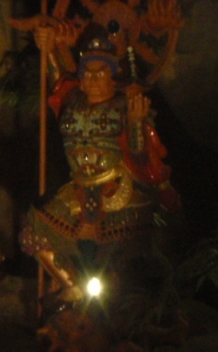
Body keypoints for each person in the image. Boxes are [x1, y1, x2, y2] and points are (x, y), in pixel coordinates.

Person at [19, 20, 180, 301]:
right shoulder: (72, 100)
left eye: (100, 72)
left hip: (117, 190)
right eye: (88, 73)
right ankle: (71, 287)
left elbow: (140, 154)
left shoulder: (124, 105)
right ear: (80, 78)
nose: (93, 78)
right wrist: (47, 49)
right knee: (34, 229)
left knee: (124, 250)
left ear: (113, 76)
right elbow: (56, 80)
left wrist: (136, 122)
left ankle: (121, 301)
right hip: (78, 190)